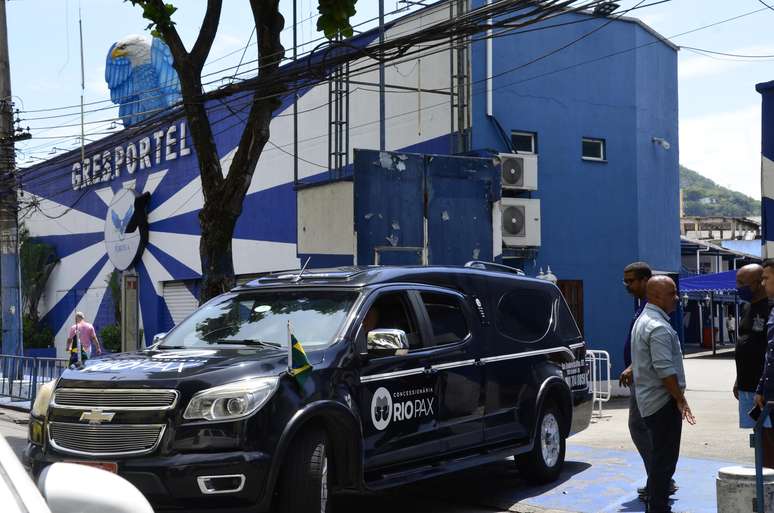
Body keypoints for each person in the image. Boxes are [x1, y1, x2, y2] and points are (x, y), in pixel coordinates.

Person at [632, 276, 696, 513]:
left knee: (660, 459)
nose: (677, 298)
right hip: (662, 403)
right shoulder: (657, 326)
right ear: (656, 296)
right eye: (672, 293)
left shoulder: (645, 319)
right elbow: (664, 370)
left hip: (650, 401)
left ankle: (656, 504)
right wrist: (681, 399)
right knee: (664, 462)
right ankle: (658, 507)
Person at [618, 262, 676, 500]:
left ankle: (660, 481)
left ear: (645, 281)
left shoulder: (652, 310)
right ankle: (660, 479)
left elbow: (657, 349)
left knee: (642, 428)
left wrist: (633, 366)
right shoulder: (642, 307)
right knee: (643, 429)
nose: (627, 286)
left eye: (631, 281)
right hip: (641, 379)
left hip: (647, 381)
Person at [734, 264, 771, 432]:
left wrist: (763, 387)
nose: (738, 287)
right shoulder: (746, 307)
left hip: (764, 388)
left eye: (742, 283)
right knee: (756, 436)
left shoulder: (770, 308)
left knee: (768, 437)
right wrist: (738, 380)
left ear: (758, 283)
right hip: (746, 384)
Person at [753, 260, 774, 468]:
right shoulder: (773, 310)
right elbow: (770, 355)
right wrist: (761, 387)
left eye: (766, 278)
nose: (763, 284)